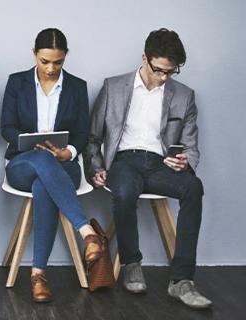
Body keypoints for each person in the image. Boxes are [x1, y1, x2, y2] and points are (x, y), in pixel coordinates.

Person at [87, 28, 212, 309]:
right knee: (124, 191)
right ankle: (132, 263)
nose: (164, 77)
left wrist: (184, 161)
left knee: (194, 187)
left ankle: (181, 280)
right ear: (144, 58)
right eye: (158, 70)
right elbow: (93, 138)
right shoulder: (113, 87)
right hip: (123, 161)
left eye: (171, 72)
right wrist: (95, 167)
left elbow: (191, 145)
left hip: (159, 164)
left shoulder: (184, 95)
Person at [0, 28, 104, 303]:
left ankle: (38, 275)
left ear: (65, 57)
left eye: (57, 62)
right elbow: (6, 127)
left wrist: (67, 152)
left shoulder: (77, 87)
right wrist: (29, 143)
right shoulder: (17, 82)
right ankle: (87, 232)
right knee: (40, 161)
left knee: (43, 184)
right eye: (44, 61)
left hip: (63, 165)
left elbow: (82, 133)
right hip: (22, 163)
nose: (50, 68)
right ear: (34, 54)